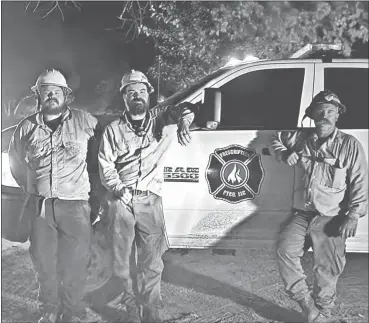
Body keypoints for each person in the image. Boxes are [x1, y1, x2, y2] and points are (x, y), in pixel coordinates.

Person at [98, 70, 197, 322]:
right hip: (121, 197)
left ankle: (150, 310)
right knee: (121, 260)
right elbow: (106, 165)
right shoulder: (113, 130)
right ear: (124, 97)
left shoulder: (161, 120)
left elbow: (185, 107)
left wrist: (185, 122)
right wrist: (119, 189)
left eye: (141, 91)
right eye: (131, 92)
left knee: (151, 259)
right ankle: (131, 305)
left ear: (148, 95)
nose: (137, 96)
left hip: (150, 198)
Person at [9, 69, 101, 323]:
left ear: (66, 96)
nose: (51, 95)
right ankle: (49, 308)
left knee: (75, 263)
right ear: (38, 95)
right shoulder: (27, 127)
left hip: (76, 206)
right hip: (41, 206)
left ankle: (71, 311)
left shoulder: (86, 122)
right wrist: (31, 186)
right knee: (43, 261)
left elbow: (108, 147)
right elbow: (15, 160)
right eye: (46, 91)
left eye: (57, 91)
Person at [271, 90, 368, 322]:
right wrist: (284, 153)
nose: (325, 115)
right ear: (312, 114)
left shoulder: (350, 145)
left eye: (330, 111)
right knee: (284, 250)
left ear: (337, 116)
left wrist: (353, 215)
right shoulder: (301, 138)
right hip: (302, 213)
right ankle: (306, 304)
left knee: (327, 269)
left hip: (331, 216)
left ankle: (323, 312)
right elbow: (276, 138)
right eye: (320, 110)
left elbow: (360, 182)